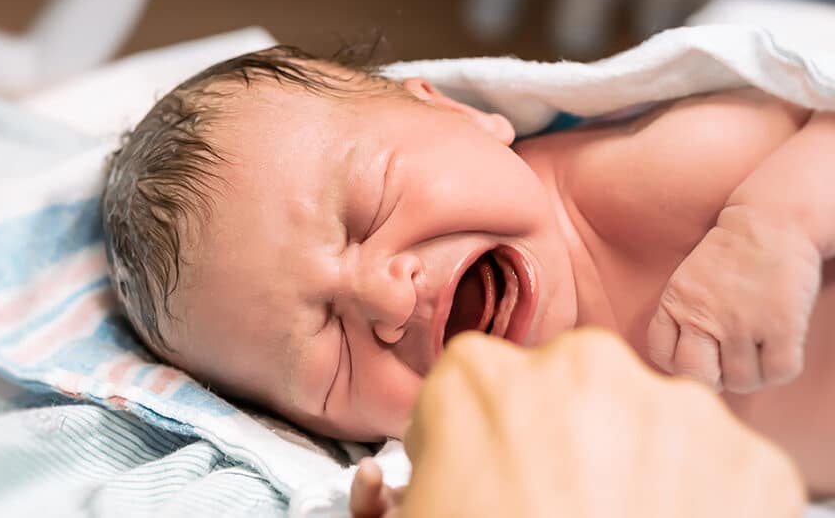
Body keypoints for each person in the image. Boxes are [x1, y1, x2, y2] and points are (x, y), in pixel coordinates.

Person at [100, 46, 835, 495]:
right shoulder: (492, 435)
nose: (385, 299)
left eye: (368, 209)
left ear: (456, 112)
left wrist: (772, 228)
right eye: (323, 346)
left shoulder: (645, 182)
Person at [348, 329, 806, 517]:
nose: (389, 306)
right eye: (341, 350)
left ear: (469, 120)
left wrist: (762, 231)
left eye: (369, 215)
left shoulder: (611, 180)